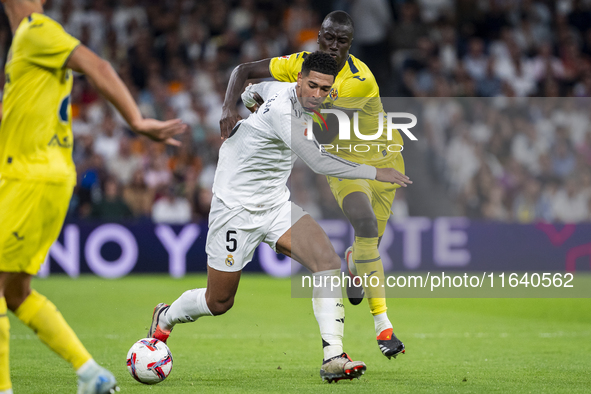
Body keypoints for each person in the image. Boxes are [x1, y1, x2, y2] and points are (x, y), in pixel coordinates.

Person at [149, 52, 411, 382]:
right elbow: (318, 163)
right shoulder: (286, 114)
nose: (317, 94)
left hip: (275, 204)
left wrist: (242, 103)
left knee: (327, 261)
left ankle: (333, 356)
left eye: (324, 89)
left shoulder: (275, 89)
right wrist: (375, 172)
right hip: (235, 208)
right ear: (298, 80)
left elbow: (251, 89)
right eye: (311, 85)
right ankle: (166, 316)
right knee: (219, 301)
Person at [0, 1, 186, 393]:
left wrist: (136, 121)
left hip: (29, 177)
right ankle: (90, 374)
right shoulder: (24, 42)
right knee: (16, 293)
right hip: (42, 176)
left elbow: (97, 66)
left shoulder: (36, 29)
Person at [220, 11, 406, 359]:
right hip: (344, 160)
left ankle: (354, 262)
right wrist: (230, 107)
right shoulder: (303, 64)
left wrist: (267, 102)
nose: (334, 46)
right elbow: (243, 71)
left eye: (342, 41)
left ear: (351, 44)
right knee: (363, 223)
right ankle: (383, 327)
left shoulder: (358, 81)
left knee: (369, 243)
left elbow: (320, 123)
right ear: (319, 36)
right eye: (328, 38)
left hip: (381, 155)